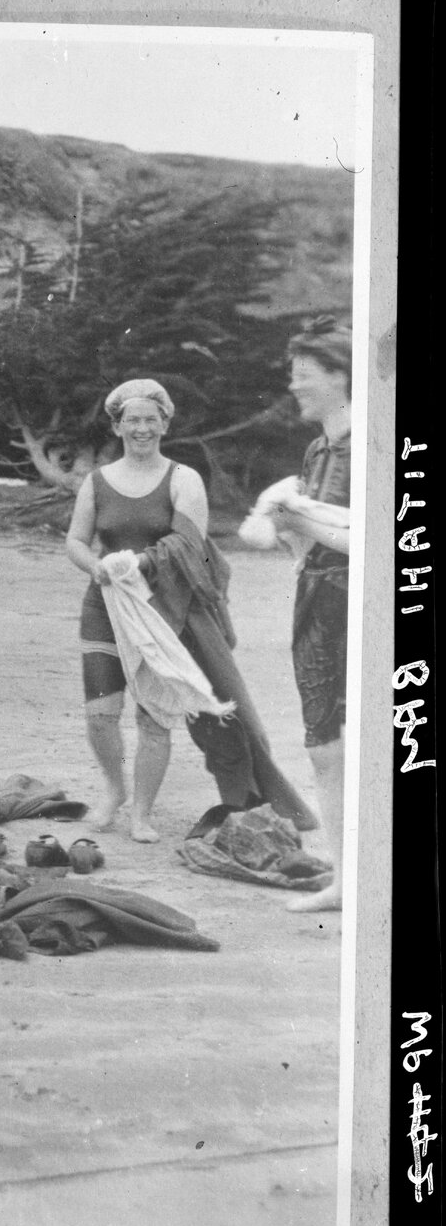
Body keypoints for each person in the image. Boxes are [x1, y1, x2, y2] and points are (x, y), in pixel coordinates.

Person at [66, 378, 316, 843]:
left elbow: (187, 544)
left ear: (165, 424)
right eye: (132, 420)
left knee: (154, 716)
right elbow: (76, 541)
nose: (142, 428)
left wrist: (139, 563)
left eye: (151, 419)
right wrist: (96, 566)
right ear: (117, 426)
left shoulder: (183, 479)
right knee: (100, 713)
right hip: (106, 604)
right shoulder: (97, 482)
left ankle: (142, 814)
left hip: (165, 607)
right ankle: (114, 791)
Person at [271, 318, 352, 912]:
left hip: (361, 602)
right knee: (324, 749)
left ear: (340, 375)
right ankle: (345, 881)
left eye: (304, 375)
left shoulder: (372, 443)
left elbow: (377, 539)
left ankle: (369, 880)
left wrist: (294, 515)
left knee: (374, 743)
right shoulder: (317, 449)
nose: (294, 385)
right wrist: (289, 526)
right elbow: (308, 545)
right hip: (315, 601)